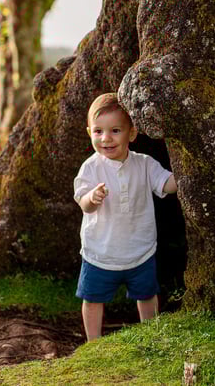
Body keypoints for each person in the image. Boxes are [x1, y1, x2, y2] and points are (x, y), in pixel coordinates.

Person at [73, 93, 178, 340]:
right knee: (93, 298)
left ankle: (150, 334)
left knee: (147, 294)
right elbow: (83, 203)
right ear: (89, 132)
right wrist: (92, 198)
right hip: (101, 251)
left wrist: (185, 175)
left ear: (131, 133)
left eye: (115, 130)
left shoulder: (144, 164)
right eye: (98, 131)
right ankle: (93, 343)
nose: (106, 138)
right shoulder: (91, 167)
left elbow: (166, 185)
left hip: (139, 249)